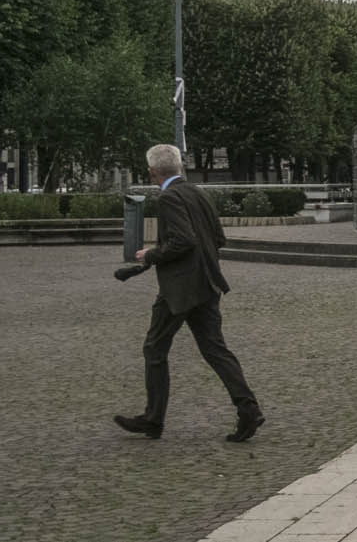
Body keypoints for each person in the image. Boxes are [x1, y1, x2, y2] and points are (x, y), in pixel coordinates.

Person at [113, 144, 263, 442]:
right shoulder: (198, 193)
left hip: (179, 290)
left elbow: (183, 241)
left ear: (152, 172)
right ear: (179, 167)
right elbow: (217, 238)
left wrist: (152, 255)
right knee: (215, 350)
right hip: (207, 283)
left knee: (155, 349)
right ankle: (248, 409)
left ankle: (153, 419)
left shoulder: (168, 197)